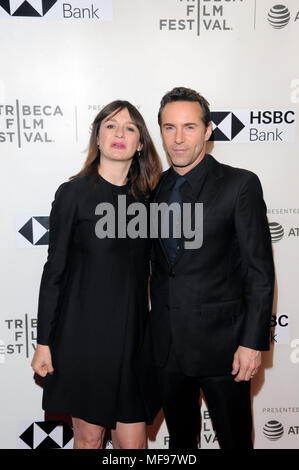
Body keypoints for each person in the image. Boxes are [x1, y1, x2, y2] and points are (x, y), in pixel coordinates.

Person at [31, 100, 162, 449]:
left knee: (133, 446)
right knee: (88, 439)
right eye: (111, 125)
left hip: (134, 338)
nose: (120, 133)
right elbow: (54, 270)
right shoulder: (73, 193)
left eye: (130, 127)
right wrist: (44, 342)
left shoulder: (148, 202)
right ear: (98, 138)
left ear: (140, 145)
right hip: (83, 337)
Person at [149, 87, 275, 449]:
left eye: (189, 127)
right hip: (168, 348)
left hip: (225, 349)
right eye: (169, 128)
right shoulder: (154, 188)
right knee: (181, 445)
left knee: (235, 441)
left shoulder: (239, 185)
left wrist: (252, 344)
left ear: (207, 131)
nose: (178, 138)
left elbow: (259, 273)